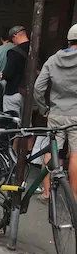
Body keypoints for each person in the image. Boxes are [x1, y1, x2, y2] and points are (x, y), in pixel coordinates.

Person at [34, 23, 77, 200]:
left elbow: (38, 87)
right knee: (75, 154)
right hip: (76, 116)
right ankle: (74, 196)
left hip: (55, 113)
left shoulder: (53, 60)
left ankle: (46, 193)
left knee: (51, 151)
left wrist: (44, 108)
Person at [2, 25, 31, 118]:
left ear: (15, 36)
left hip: (13, 91)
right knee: (26, 123)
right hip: (29, 93)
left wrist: (3, 74)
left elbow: (8, 73)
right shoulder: (36, 49)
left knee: (11, 122)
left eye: (12, 39)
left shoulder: (13, 52)